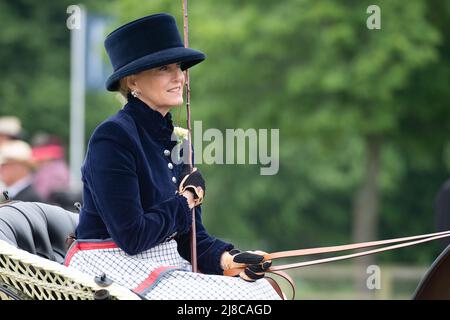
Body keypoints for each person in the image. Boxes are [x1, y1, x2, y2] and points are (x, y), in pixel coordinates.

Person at [64, 13, 280, 299]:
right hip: (112, 265)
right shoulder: (112, 138)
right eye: (164, 68)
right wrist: (186, 200)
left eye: (179, 67)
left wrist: (229, 259)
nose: (179, 76)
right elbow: (132, 237)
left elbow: (191, 238)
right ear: (133, 82)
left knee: (263, 289)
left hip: (163, 264)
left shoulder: (178, 143)